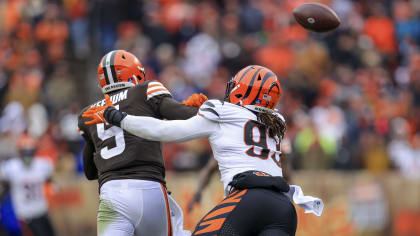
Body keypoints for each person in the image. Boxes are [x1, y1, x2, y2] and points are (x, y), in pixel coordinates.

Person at [83, 65, 324, 236]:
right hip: (283, 209)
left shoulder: (222, 111)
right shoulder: (277, 121)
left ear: (241, 90)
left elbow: (162, 131)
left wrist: (117, 117)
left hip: (249, 199)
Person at [77, 50, 207, 236]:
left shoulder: (88, 113)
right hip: (148, 187)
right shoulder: (145, 90)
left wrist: (91, 138)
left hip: (111, 194)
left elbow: (90, 173)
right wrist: (200, 108)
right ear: (135, 73)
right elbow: (185, 116)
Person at [0, 133, 55, 236]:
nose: (28, 155)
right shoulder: (12, 167)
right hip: (26, 215)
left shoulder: (41, 165)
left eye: (30, 152)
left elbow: (50, 180)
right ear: (20, 153)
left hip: (41, 210)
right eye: (25, 152)